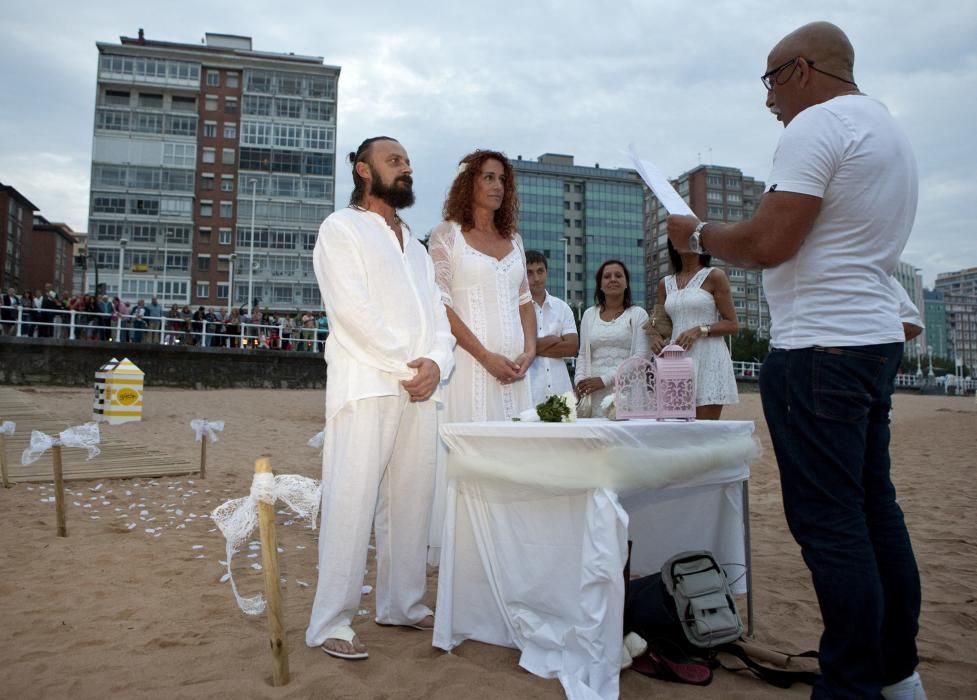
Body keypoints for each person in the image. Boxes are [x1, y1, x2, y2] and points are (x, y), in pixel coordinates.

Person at [667, 21, 925, 699]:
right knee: (874, 511)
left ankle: (849, 684)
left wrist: (695, 231)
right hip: (869, 343)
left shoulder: (815, 127)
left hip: (818, 348)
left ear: (802, 70)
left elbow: (769, 241)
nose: (767, 101)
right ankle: (897, 674)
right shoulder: (888, 131)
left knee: (831, 525)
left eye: (770, 81)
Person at [305, 136, 454, 661]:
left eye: (409, 162)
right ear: (363, 170)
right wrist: (407, 366)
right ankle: (332, 621)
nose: (406, 168)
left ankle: (402, 604)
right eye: (395, 161)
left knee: (411, 500)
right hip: (367, 383)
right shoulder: (340, 228)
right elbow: (352, 311)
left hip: (419, 390)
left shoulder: (416, 247)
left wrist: (437, 363)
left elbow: (439, 316)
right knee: (351, 500)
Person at [427, 149, 536, 562]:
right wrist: (485, 356)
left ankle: (505, 551)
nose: (496, 187)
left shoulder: (515, 241)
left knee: (511, 460)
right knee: (470, 460)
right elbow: (441, 303)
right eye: (488, 178)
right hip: (471, 369)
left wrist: (529, 350)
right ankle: (466, 554)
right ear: (468, 183)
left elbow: (525, 301)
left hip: (514, 372)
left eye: (502, 180)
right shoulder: (447, 235)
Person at [654, 240, 739, 419]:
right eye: (680, 237)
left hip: (709, 359)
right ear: (673, 245)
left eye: (689, 235)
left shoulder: (715, 276)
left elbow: (732, 324)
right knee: (675, 431)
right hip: (676, 360)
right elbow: (659, 324)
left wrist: (700, 329)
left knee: (705, 432)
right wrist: (654, 336)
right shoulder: (664, 283)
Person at [574, 260, 649, 417]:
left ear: (626, 283)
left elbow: (641, 358)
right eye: (607, 276)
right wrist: (580, 382)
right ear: (600, 285)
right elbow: (582, 354)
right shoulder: (589, 315)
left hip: (628, 392)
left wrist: (604, 380)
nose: (613, 279)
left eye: (618, 276)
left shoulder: (638, 314)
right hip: (594, 393)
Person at [525, 250, 578, 407]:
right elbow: (518, 347)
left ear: (547, 272)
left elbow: (572, 348)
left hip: (560, 391)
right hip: (530, 393)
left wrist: (532, 347)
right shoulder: (516, 310)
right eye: (530, 273)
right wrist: (554, 340)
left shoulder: (562, 308)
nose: (536, 278)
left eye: (540, 271)